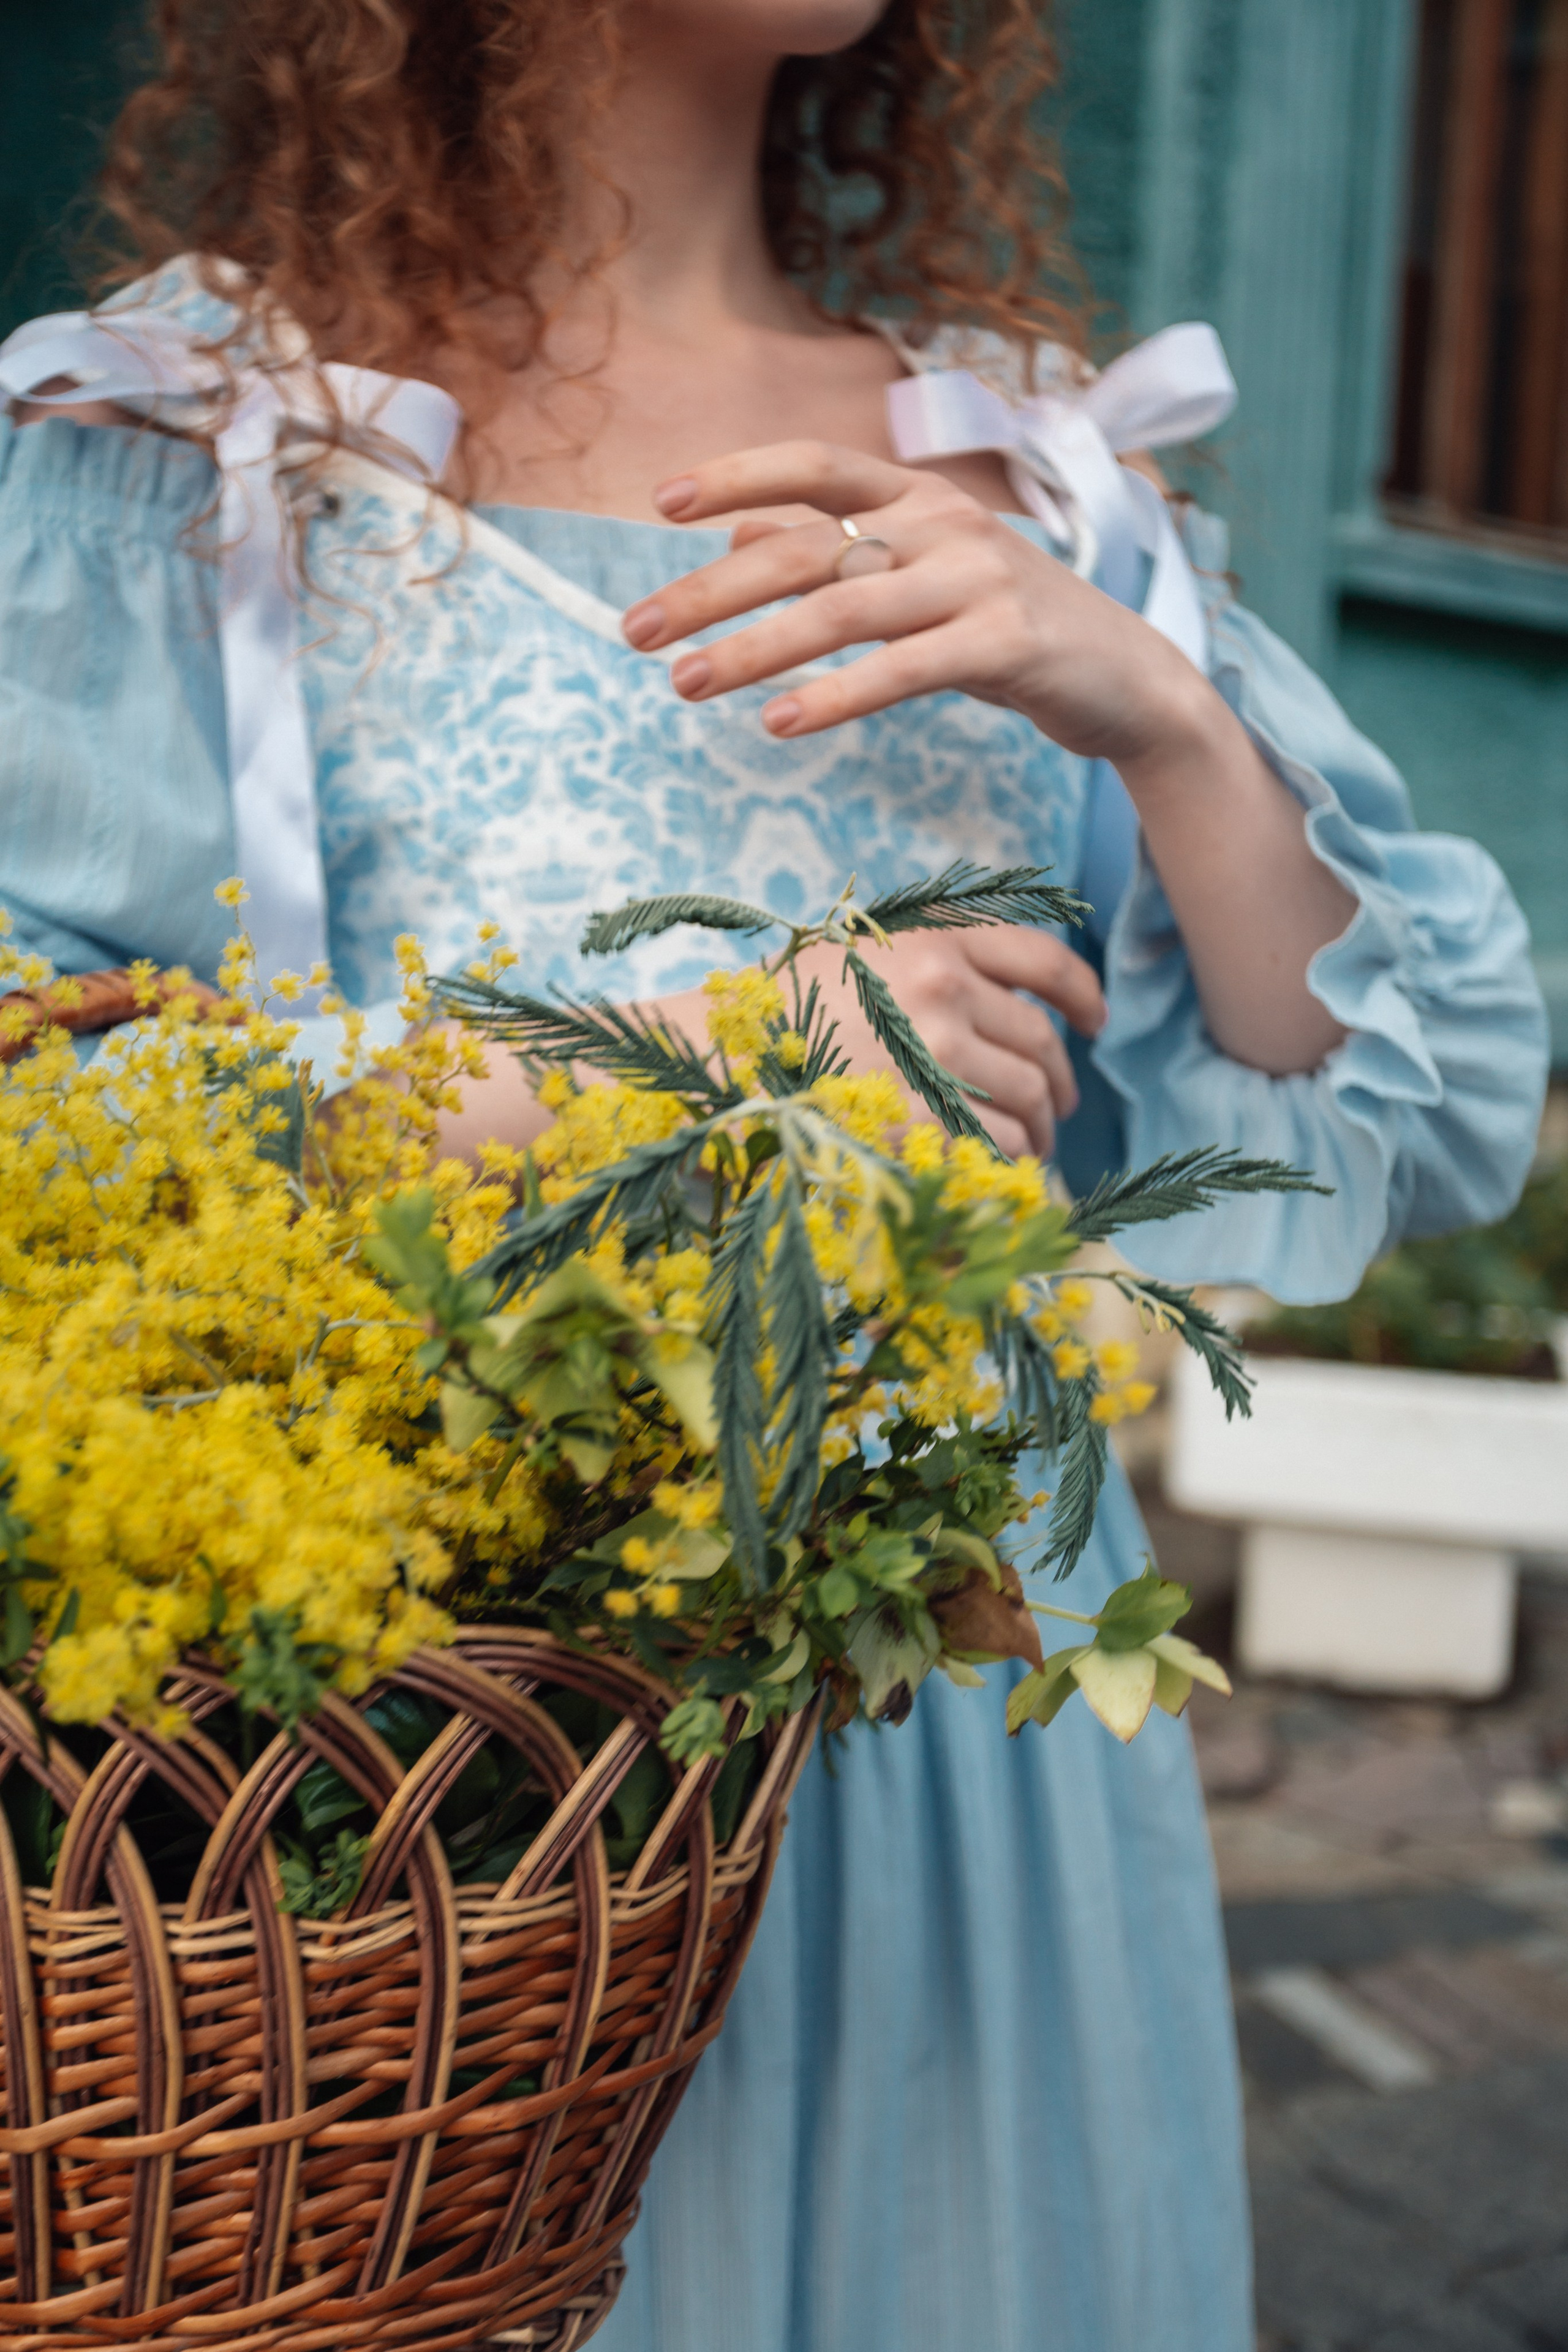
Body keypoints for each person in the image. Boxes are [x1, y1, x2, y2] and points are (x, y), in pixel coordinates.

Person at [0, 3, 1547, 2346]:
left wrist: (1162, 712)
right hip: (474, 1764)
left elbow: (1412, 1108)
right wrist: (687, 1069)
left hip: (959, 1735)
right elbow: (51, 1097)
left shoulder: (1041, 468)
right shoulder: (201, 448)